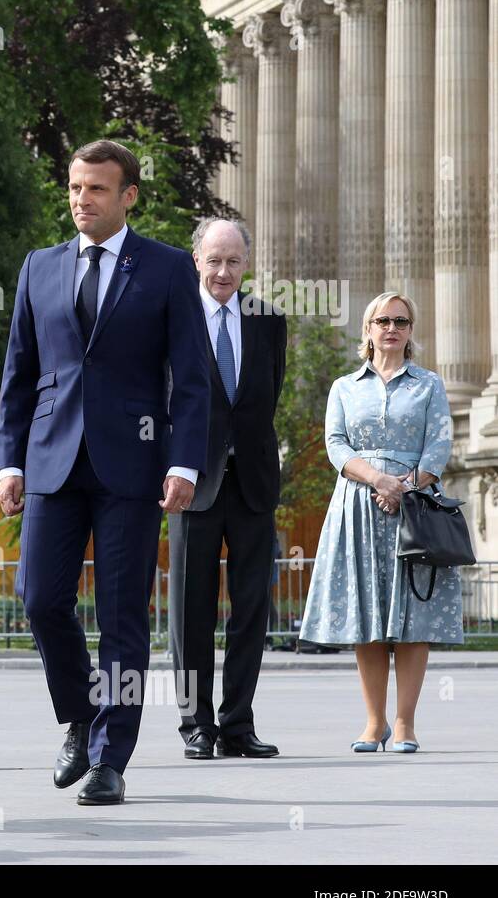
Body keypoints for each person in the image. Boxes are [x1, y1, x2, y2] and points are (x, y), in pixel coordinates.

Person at [0, 140, 209, 805]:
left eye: (95, 189)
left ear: (127, 196)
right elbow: (20, 375)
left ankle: (111, 758)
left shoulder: (170, 269)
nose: (81, 199)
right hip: (53, 462)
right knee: (40, 598)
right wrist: (9, 460)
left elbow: (194, 380)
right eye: (74, 188)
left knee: (122, 616)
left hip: (134, 467)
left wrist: (184, 461)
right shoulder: (40, 267)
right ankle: (80, 713)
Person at [299, 292, 461, 752]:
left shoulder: (428, 385)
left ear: (411, 331)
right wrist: (377, 479)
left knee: (413, 618)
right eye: (383, 320)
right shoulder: (344, 387)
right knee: (366, 615)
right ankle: (374, 722)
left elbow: (439, 446)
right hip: (358, 506)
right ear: (368, 330)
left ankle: (405, 722)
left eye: (402, 321)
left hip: (414, 510)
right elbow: (335, 444)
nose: (392, 328)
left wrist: (404, 487)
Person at [167, 218, 286, 760]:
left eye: (233, 261)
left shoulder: (268, 319)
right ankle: (196, 724)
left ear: (246, 264)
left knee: (251, 610)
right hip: (192, 482)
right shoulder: (174, 315)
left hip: (254, 484)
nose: (223, 271)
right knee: (190, 613)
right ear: (196, 260)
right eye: (213, 260)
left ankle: (238, 724)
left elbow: (266, 398)